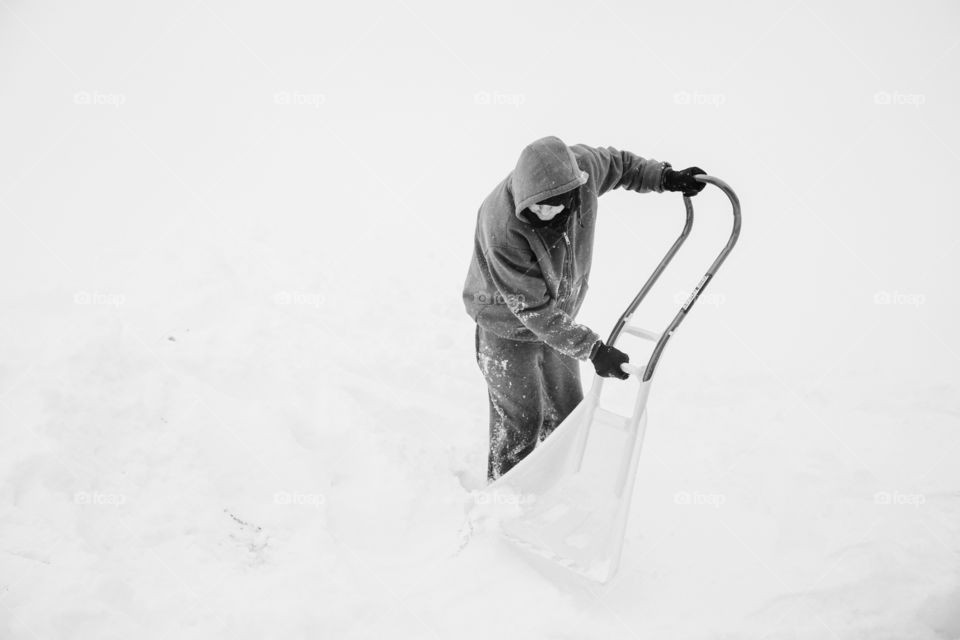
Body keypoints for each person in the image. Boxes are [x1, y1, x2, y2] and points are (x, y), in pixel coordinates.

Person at [462, 135, 706, 482]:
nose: (544, 212)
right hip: (506, 323)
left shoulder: (581, 170)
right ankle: (504, 499)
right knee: (520, 420)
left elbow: (620, 165)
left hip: (559, 318)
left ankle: (558, 484)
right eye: (537, 206)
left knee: (567, 412)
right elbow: (531, 309)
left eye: (553, 204)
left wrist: (664, 178)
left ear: (573, 190)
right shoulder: (502, 226)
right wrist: (593, 349)